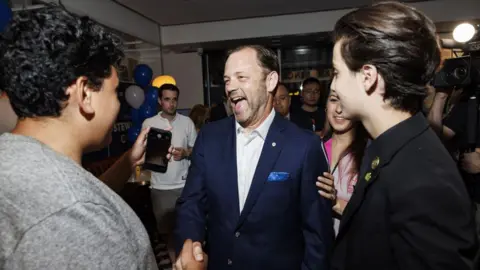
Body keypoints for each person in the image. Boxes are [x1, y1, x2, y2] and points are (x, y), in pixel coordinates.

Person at [0, 6, 157, 269]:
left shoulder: (19, 161)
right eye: (115, 92)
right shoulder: (73, 217)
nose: (119, 104)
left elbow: (80, 189)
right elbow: (77, 202)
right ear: (85, 94)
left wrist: (128, 161)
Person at [329, 2, 478, 269]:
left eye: (337, 72)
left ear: (368, 77)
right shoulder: (386, 148)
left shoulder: (424, 179)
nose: (334, 85)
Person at [175, 45, 333, 270]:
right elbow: (192, 202)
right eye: (227, 80)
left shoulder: (304, 146)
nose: (231, 87)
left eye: (241, 77)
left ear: (270, 82)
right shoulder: (210, 137)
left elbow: (317, 235)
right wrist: (191, 244)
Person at [142, 83, 197, 266]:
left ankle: (183, 263)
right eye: (167, 99)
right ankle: (175, 263)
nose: (171, 104)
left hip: (183, 186)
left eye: (174, 100)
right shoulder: (149, 124)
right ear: (159, 101)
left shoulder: (186, 122)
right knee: (167, 233)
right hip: (160, 187)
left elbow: (196, 150)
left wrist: (186, 153)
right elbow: (141, 154)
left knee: (185, 230)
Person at [316, 90, 368, 235]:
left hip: (355, 247)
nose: (339, 109)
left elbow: (375, 215)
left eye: (347, 102)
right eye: (333, 100)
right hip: (317, 248)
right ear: (326, 106)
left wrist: (336, 203)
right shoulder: (314, 148)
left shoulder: (369, 153)